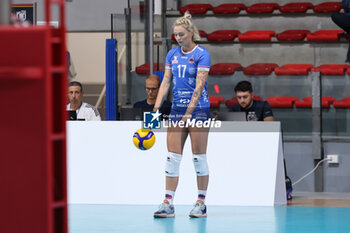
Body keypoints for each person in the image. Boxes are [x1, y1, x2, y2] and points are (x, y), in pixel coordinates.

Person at [152, 11, 211, 218]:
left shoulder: (202, 53)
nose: (178, 38)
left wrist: (189, 113)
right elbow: (166, 82)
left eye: (181, 34)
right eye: (175, 35)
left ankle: (201, 202)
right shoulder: (172, 54)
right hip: (177, 109)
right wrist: (156, 109)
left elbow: (199, 84)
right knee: (172, 158)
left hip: (199, 110)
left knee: (198, 157)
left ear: (191, 33)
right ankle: (168, 202)